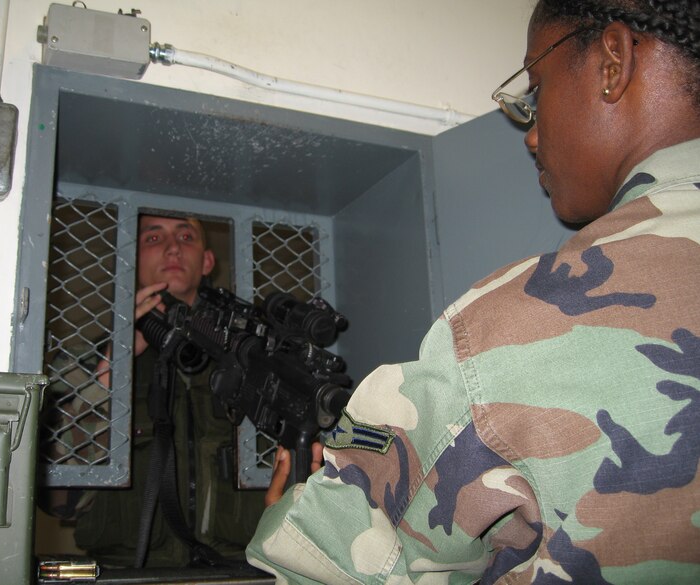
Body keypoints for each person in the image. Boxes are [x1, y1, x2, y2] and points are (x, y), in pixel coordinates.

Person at [246, 1, 700, 583]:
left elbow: (322, 565)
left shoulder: (514, 333)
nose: (532, 135)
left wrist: (291, 526)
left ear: (613, 61)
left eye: (535, 93)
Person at [61, 214, 266, 567]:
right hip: (130, 570)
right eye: (154, 239)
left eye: (186, 236)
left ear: (207, 262)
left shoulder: (250, 357)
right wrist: (115, 364)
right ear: (132, 260)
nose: (173, 248)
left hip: (239, 566)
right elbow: (57, 495)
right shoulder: (92, 357)